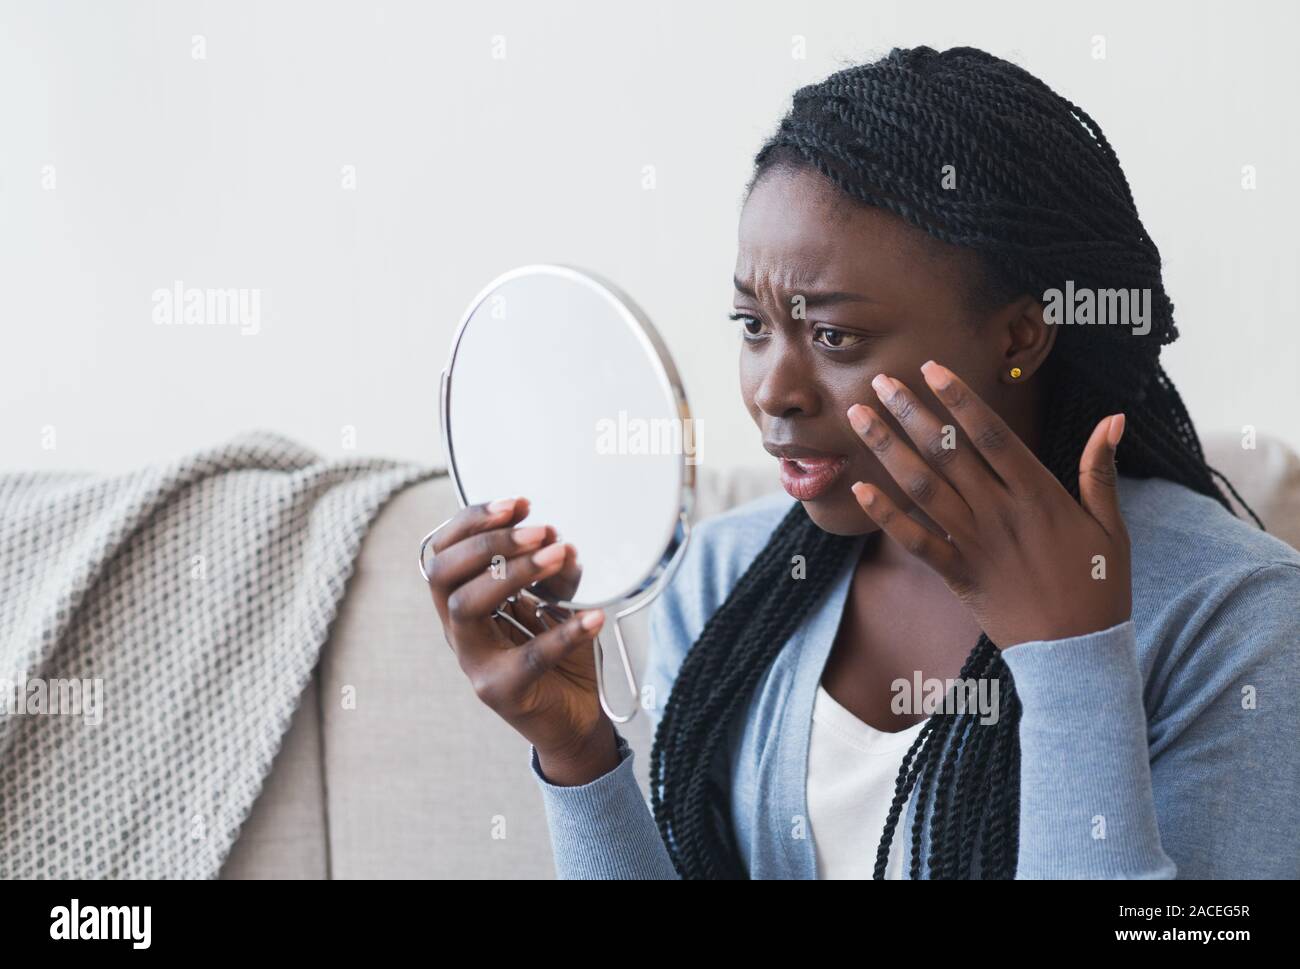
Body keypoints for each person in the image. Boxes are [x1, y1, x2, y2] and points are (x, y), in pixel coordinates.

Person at [425, 46, 1300, 879]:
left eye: (835, 334)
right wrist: (579, 757)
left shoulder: (1237, 620)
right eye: (753, 327)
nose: (774, 390)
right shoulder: (725, 576)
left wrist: (1073, 660)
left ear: (1020, 337)